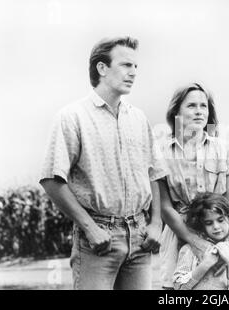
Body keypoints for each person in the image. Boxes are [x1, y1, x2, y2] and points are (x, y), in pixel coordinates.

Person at [39, 36, 167, 290]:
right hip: (98, 238)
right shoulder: (72, 117)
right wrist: (90, 228)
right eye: (126, 65)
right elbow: (52, 180)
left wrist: (155, 223)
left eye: (136, 67)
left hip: (140, 238)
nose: (133, 73)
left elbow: (154, 173)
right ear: (102, 68)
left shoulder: (138, 118)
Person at [159, 82, 229, 289]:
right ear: (176, 111)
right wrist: (194, 242)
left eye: (203, 106)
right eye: (191, 106)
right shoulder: (161, 152)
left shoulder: (225, 150)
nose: (199, 112)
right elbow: (165, 207)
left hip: (219, 231)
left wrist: (228, 243)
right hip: (178, 234)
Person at [173, 192, 229, 290]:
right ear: (202, 225)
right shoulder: (189, 250)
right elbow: (178, 287)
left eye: (220, 220)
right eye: (209, 223)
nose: (216, 227)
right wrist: (204, 265)